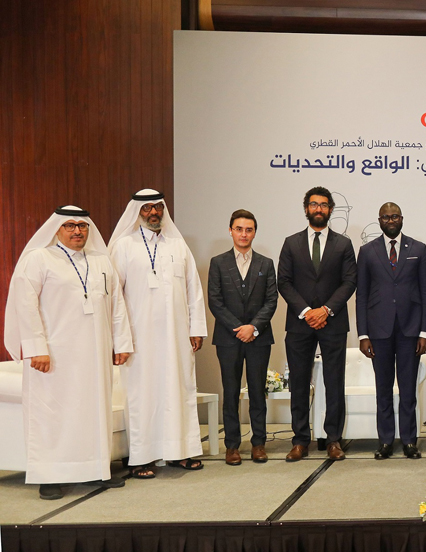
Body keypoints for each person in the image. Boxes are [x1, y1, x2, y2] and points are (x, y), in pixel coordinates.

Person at [4, 206, 133, 500]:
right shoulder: (39, 259)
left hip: (95, 355)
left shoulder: (101, 261)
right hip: (54, 357)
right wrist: (36, 348)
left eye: (83, 226)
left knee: (92, 411)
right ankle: (50, 476)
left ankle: (94, 470)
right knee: (53, 414)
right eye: (70, 226)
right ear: (57, 229)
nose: (77, 231)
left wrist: (122, 343)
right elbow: (26, 305)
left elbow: (117, 306)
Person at [109, 189, 207, 478]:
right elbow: (114, 297)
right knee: (143, 395)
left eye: (158, 208)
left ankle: (178, 452)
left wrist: (196, 328)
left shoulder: (177, 245)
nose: (154, 213)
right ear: (137, 212)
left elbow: (194, 290)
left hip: (177, 336)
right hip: (139, 338)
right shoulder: (124, 246)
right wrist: (121, 339)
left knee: (180, 390)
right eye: (147, 208)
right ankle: (141, 457)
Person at [277, 187, 357, 462]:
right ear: (306, 209)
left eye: (324, 205)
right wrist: (306, 311)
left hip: (333, 323)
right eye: (314, 204)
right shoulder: (291, 243)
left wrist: (325, 310)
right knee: (299, 383)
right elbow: (283, 282)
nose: (319, 209)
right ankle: (300, 440)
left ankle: (333, 439)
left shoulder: (343, 244)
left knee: (334, 382)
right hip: (299, 324)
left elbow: (350, 281)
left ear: (331, 209)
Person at [356, 202, 426, 460]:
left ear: (402, 218)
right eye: (386, 217)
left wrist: (425, 332)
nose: (391, 220)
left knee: (408, 389)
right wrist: (363, 334)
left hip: (410, 330)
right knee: (383, 389)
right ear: (379, 220)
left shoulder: (419, 249)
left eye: (395, 216)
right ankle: (386, 441)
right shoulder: (367, 251)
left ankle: (410, 441)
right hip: (379, 332)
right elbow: (362, 295)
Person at [208, 209, 278, 466]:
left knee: (258, 392)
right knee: (231, 391)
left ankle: (258, 443)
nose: (243, 234)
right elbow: (214, 301)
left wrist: (254, 327)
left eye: (248, 229)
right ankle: (232, 446)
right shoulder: (218, 262)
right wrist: (239, 328)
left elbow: (272, 301)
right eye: (239, 229)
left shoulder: (266, 263)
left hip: (259, 337)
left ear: (254, 233)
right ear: (230, 231)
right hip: (228, 338)